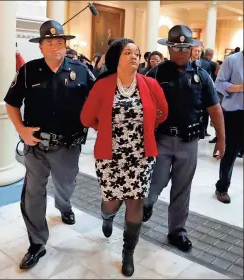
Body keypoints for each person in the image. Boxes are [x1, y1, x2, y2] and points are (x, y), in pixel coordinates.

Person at [4, 20, 95, 270]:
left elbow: (97, 101)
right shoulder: (28, 71)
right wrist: (21, 129)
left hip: (68, 146)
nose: (55, 47)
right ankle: (37, 243)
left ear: (66, 46)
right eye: (49, 43)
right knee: (34, 192)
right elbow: (11, 103)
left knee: (65, 185)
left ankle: (64, 206)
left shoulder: (82, 70)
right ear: (41, 47)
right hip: (36, 146)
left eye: (59, 42)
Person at [80, 38, 168, 277]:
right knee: (112, 201)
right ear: (116, 57)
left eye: (136, 52)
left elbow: (162, 113)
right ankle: (107, 216)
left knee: (135, 201)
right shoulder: (102, 85)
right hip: (110, 156)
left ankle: (128, 252)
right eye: (128, 52)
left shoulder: (150, 84)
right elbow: (86, 118)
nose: (134, 56)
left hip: (141, 156)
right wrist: (107, 128)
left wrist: (145, 127)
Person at [143, 25, 225, 252]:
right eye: (176, 47)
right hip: (161, 141)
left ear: (191, 49)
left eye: (185, 48)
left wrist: (221, 138)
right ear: (169, 49)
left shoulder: (201, 75)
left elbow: (215, 108)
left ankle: (177, 231)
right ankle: (147, 205)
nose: (181, 52)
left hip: (189, 143)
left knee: (182, 189)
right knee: (156, 183)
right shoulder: (155, 74)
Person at [214, 50, 243, 203]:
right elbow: (219, 83)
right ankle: (222, 187)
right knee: (230, 153)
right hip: (236, 114)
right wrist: (240, 87)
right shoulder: (232, 60)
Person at [191, 45, 212, 136]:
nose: (197, 53)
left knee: (204, 114)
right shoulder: (184, 62)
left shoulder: (205, 64)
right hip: (189, 91)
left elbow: (209, 78)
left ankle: (203, 131)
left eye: (199, 51)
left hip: (201, 92)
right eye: (195, 50)